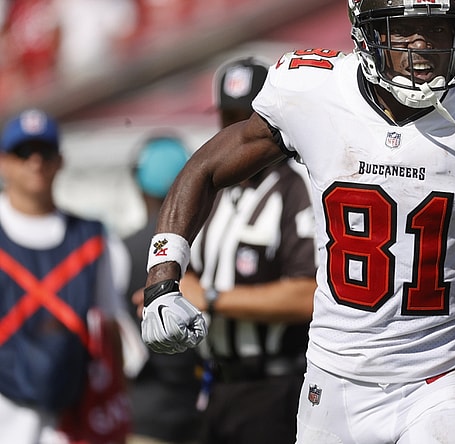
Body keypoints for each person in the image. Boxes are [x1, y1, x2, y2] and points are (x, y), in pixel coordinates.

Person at [139, 1, 455, 442]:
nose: (423, 44)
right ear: (367, 28)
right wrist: (164, 278)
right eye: (404, 28)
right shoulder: (314, 94)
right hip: (332, 381)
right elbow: (204, 168)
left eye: (440, 26)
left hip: (438, 379)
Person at [176, 56, 317, 444]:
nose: (237, 133)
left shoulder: (296, 185)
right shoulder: (214, 189)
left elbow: (309, 295)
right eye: (229, 118)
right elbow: (192, 275)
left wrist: (211, 298)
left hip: (274, 386)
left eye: (249, 118)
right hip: (214, 383)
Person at [0, 108, 130, 443]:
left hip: (70, 420)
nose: (35, 163)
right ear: (4, 162)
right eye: (23, 153)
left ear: (60, 160)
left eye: (44, 152)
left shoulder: (93, 238)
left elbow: (111, 329)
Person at [124, 133, 202, 444]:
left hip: (142, 412)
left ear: (137, 185)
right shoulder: (206, 246)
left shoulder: (121, 250)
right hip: (203, 409)